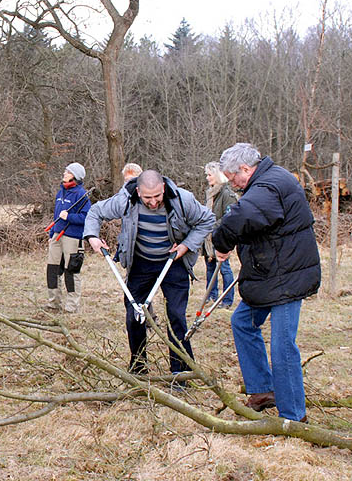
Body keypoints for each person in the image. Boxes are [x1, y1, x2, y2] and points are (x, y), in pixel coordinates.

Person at [212, 143, 320, 422]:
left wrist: (221, 242)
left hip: (287, 277)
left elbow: (242, 217)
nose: (232, 183)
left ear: (246, 170)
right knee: (242, 322)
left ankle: (294, 416)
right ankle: (263, 390)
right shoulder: (266, 182)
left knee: (283, 346)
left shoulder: (269, 186)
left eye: (233, 177)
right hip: (269, 274)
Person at [84, 170, 214, 375]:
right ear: (138, 191)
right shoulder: (125, 200)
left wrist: (186, 245)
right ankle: (138, 368)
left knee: (176, 317)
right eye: (147, 198)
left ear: (163, 188)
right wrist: (92, 237)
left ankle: (181, 371)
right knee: (134, 314)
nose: (153, 202)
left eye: (157, 196)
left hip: (173, 263)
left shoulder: (182, 199)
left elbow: (207, 220)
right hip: (141, 263)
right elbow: (95, 212)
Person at [46, 163, 91, 313]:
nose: (64, 173)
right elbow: (56, 215)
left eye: (68, 171)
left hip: (72, 237)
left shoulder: (81, 195)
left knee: (70, 271)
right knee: (52, 270)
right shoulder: (61, 192)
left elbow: (86, 218)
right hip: (56, 236)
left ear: (75, 175)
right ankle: (53, 303)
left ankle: (71, 307)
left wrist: (69, 217)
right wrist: (52, 233)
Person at [202, 161, 237, 309]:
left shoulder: (227, 194)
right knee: (210, 267)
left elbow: (230, 217)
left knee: (224, 268)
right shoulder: (210, 194)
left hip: (221, 237)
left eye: (209, 175)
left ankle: (227, 300)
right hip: (208, 238)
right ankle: (211, 296)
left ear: (217, 175)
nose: (207, 178)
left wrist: (213, 226)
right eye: (206, 175)